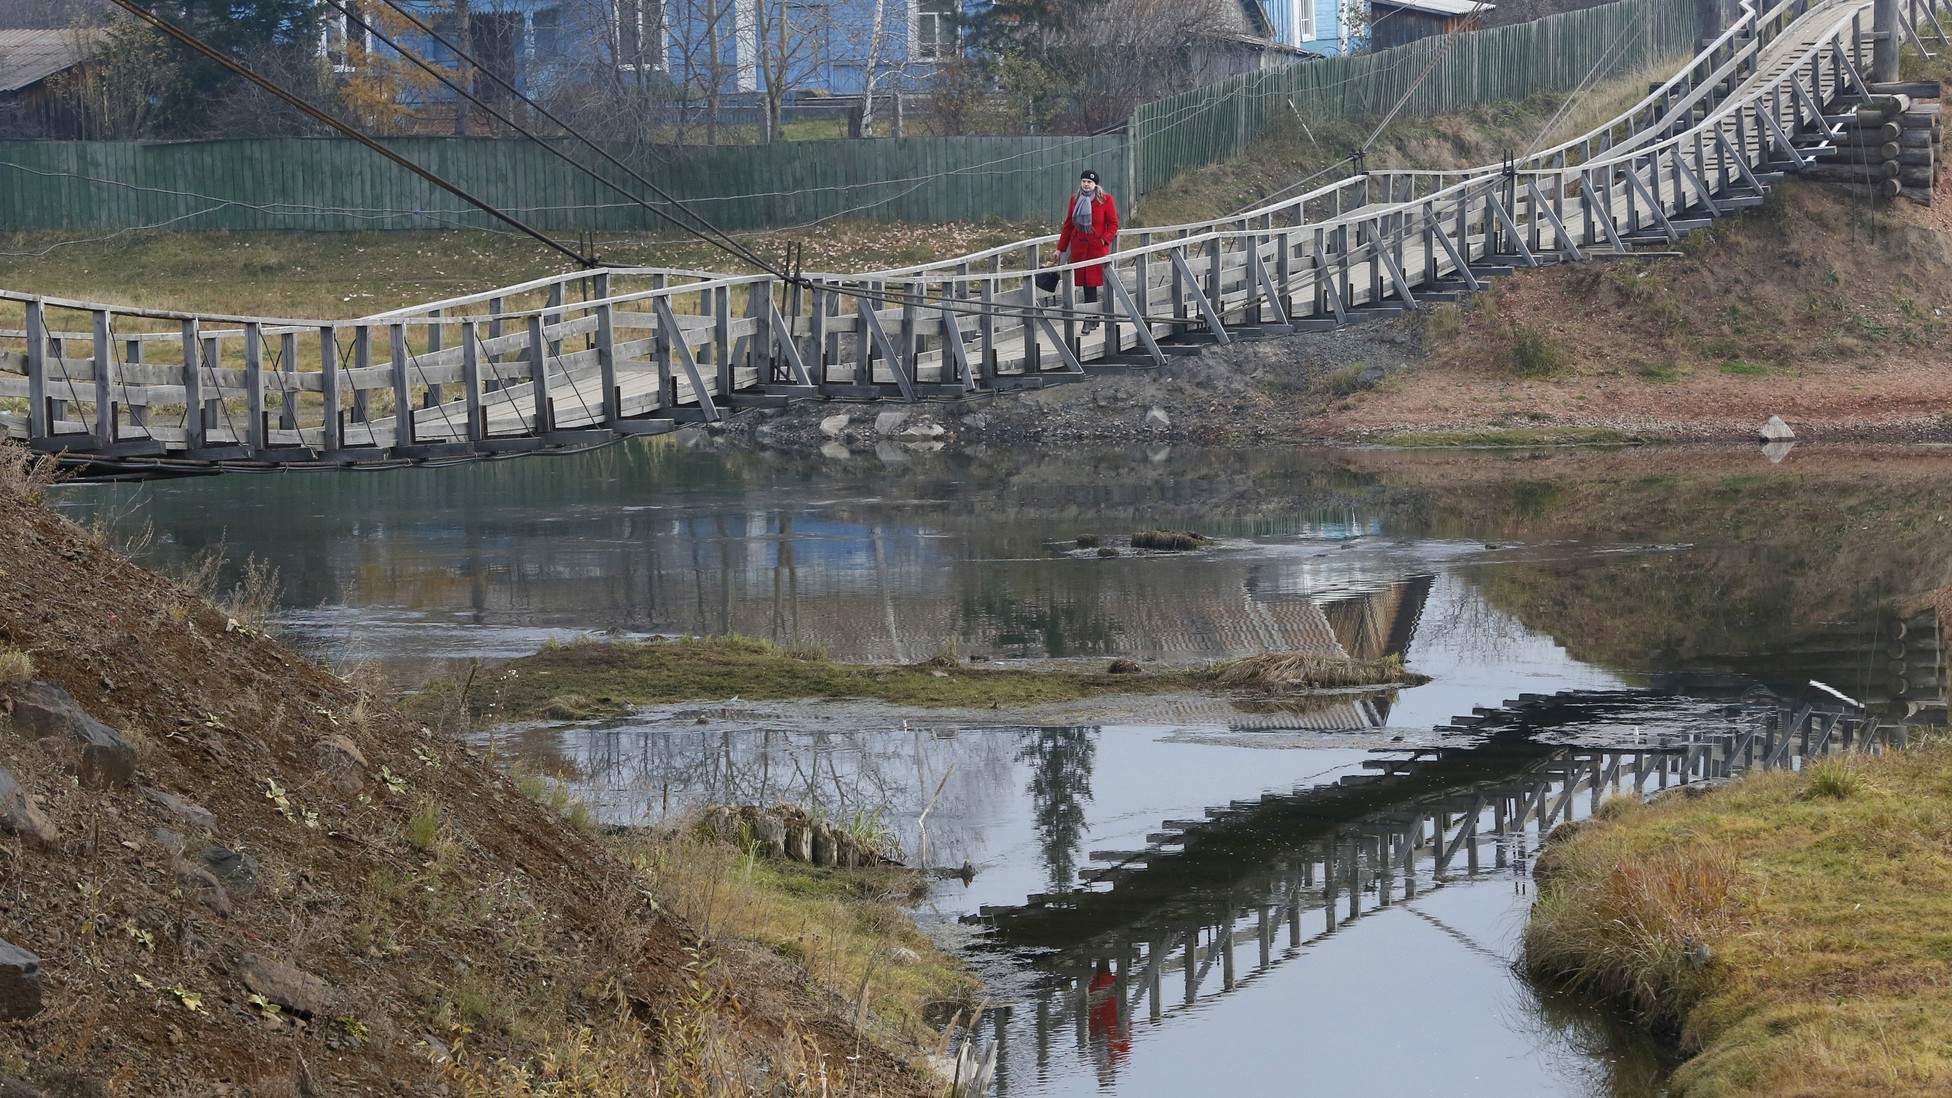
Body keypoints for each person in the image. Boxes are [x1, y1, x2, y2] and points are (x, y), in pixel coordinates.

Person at [1055, 169, 1119, 332]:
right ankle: (1093, 317)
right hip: (1079, 247)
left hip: (1096, 247)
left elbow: (1113, 224)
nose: (1086, 184)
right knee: (1084, 283)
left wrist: (1105, 239)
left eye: (1089, 182)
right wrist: (1060, 249)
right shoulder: (1075, 199)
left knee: (1091, 283)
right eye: (1083, 181)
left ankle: (1090, 319)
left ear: (1095, 184)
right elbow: (1068, 224)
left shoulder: (1105, 199)